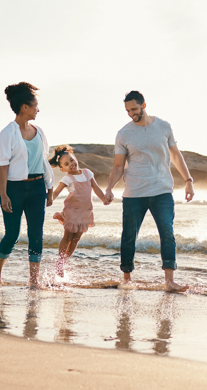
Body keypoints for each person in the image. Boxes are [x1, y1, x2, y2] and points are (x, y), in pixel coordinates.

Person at [103, 90, 194, 292]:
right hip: (134, 193)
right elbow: (118, 166)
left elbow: (176, 156)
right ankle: (127, 280)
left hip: (162, 190)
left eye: (134, 109)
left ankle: (169, 281)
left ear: (144, 105)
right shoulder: (124, 134)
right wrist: (109, 188)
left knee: (167, 234)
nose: (131, 113)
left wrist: (188, 180)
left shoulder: (164, 126)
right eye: (127, 110)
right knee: (129, 236)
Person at [0, 82, 54, 287]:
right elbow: (3, 166)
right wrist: (4, 195)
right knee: (12, 235)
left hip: (37, 188)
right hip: (14, 189)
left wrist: (50, 189)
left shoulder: (40, 132)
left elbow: (44, 162)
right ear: (24, 107)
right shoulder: (7, 133)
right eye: (35, 105)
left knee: (36, 234)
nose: (38, 109)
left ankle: (33, 281)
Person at [48, 145, 108, 276]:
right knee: (68, 236)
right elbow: (56, 192)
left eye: (71, 160)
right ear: (63, 169)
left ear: (75, 158)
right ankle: (60, 262)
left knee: (76, 239)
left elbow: (96, 188)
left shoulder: (87, 173)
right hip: (72, 211)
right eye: (66, 164)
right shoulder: (67, 178)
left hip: (85, 211)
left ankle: (64, 262)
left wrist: (104, 198)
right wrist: (49, 199)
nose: (71, 164)